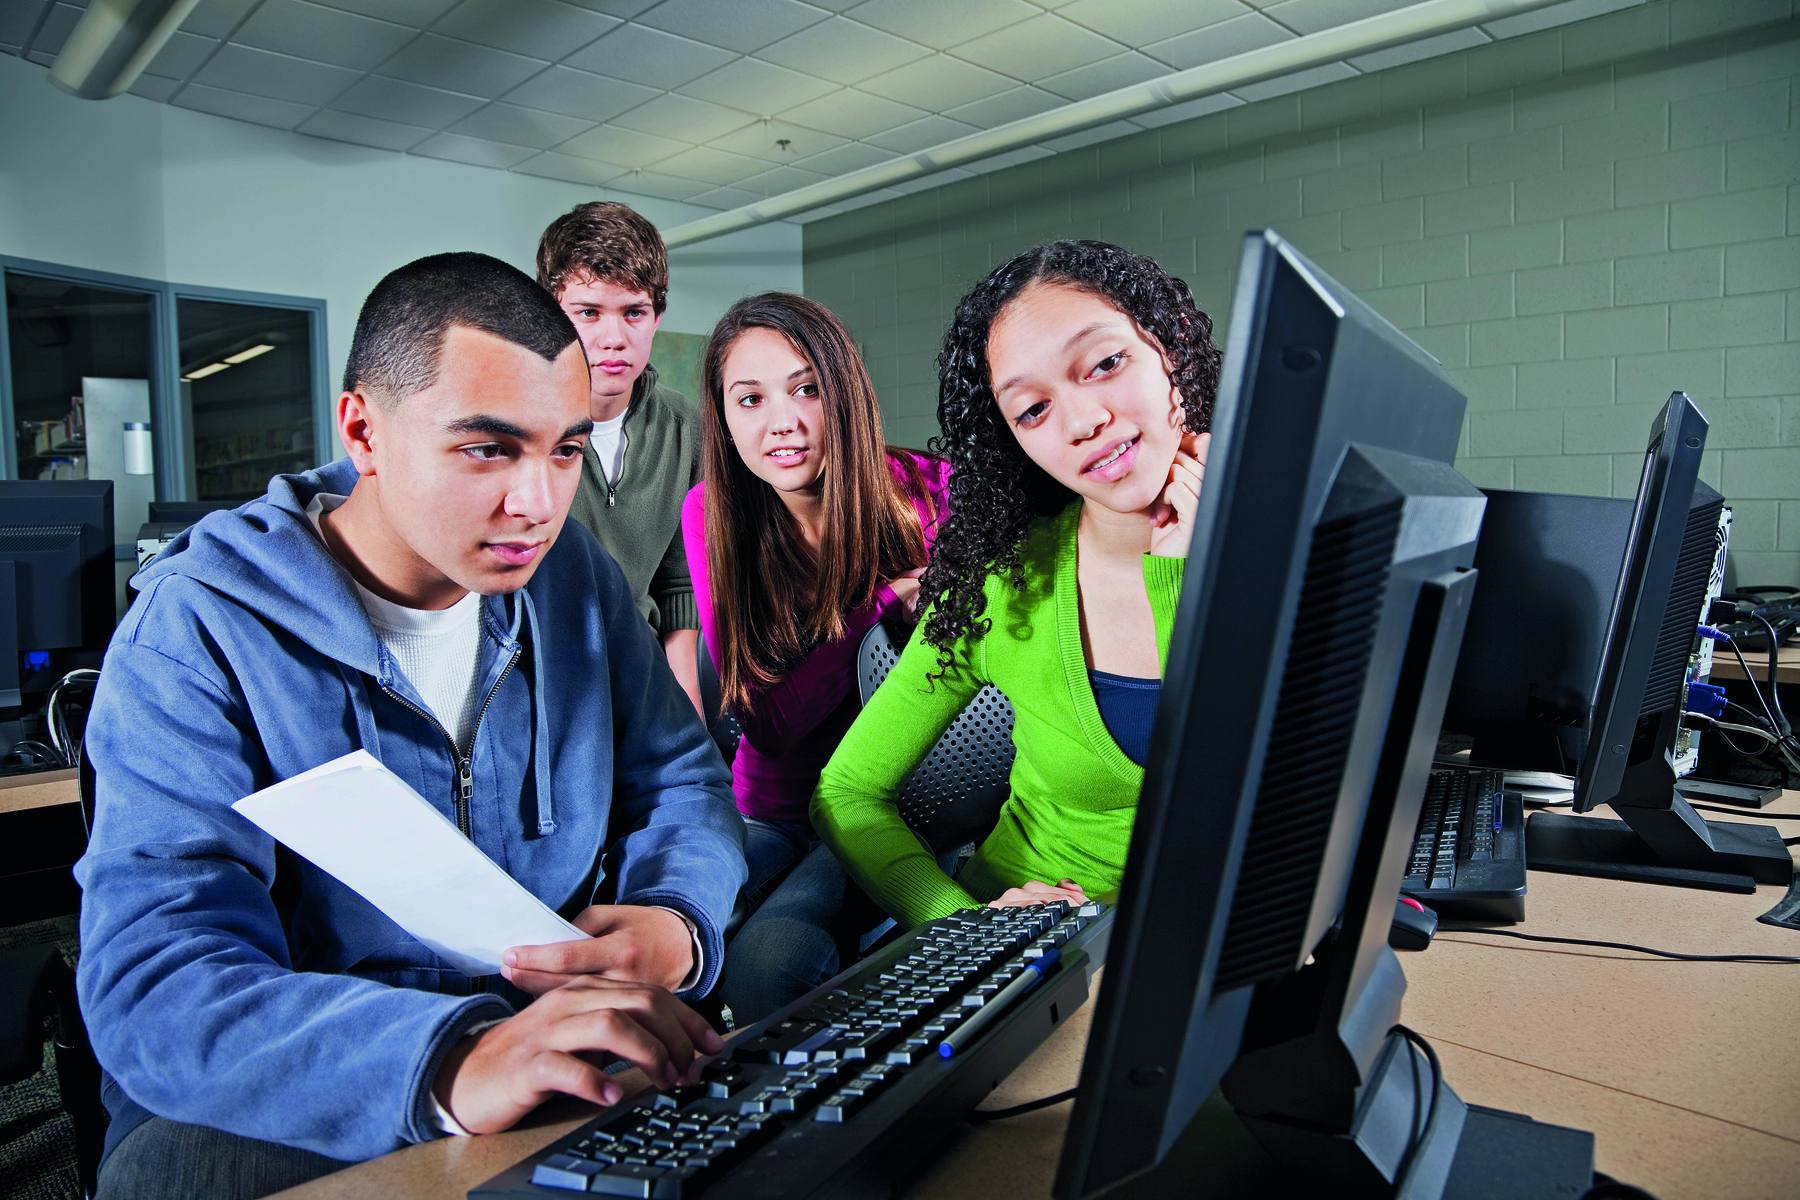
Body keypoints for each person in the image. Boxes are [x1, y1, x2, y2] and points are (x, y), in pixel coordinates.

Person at [75, 253, 747, 1200]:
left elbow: (682, 778)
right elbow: (160, 980)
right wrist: (449, 1061)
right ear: (364, 430)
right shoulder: (198, 627)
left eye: (563, 451)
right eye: (487, 449)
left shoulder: (573, 584)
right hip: (289, 1089)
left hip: (542, 1042)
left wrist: (673, 918)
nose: (538, 505)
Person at [813, 240, 1216, 929]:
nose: (1085, 422)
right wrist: (968, 927)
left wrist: (1182, 574)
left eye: (1106, 363)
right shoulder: (1004, 583)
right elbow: (846, 791)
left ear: (1171, 347)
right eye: (1033, 410)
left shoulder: (1304, 532)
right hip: (1036, 962)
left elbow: (1258, 801)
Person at [682, 293, 950, 1021]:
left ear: (846, 392)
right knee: (676, 942)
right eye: (750, 399)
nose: (783, 422)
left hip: (899, 805)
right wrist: (885, 605)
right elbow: (767, 723)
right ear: (725, 417)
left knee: (768, 966)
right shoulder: (713, 512)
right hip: (772, 807)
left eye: (807, 388)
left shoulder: (929, 491)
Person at [537, 201, 705, 714]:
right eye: (588, 312)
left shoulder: (686, 428)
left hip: (643, 679)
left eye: (634, 312)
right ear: (550, 314)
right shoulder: (517, 429)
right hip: (540, 685)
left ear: (656, 318)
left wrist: (686, 714)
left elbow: (680, 587)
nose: (614, 339)